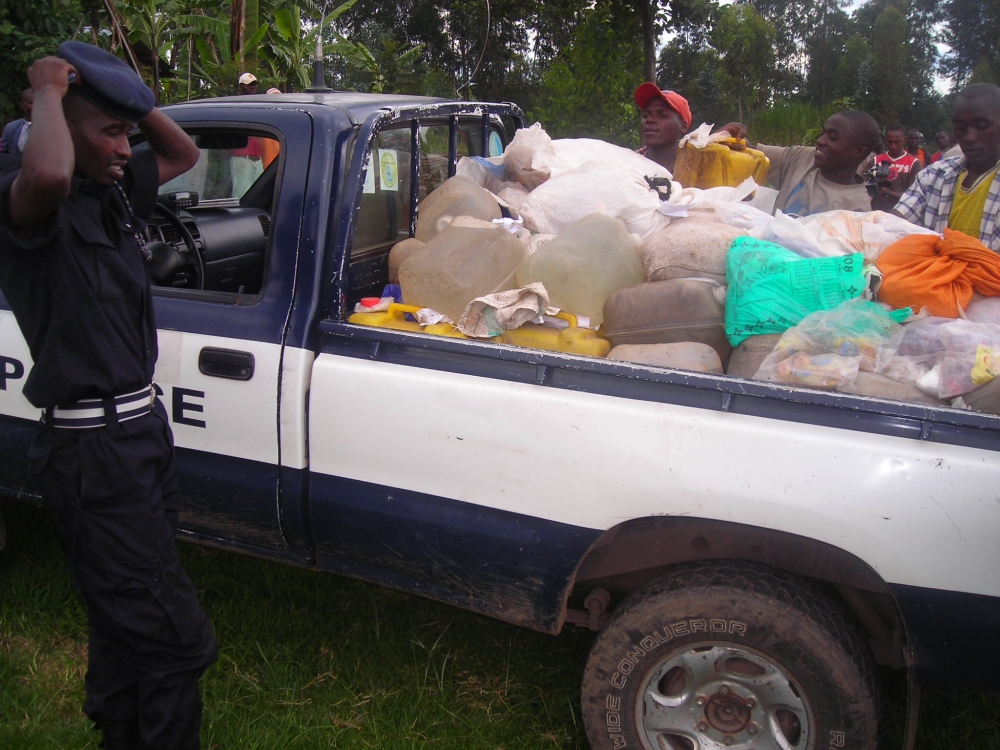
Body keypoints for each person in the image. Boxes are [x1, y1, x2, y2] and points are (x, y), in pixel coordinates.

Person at [0, 41, 217, 749]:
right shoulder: (29, 201)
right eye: (111, 132)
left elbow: (184, 153)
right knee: (173, 638)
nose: (125, 146)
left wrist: (123, 96)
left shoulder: (111, 193)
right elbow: (52, 172)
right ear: (57, 127)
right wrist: (47, 91)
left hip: (140, 438)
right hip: (93, 451)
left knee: (122, 614)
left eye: (127, 133)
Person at [716, 110, 880, 216]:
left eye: (833, 137)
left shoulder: (858, 210)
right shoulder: (802, 158)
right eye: (822, 133)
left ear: (858, 151)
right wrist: (729, 135)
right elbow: (750, 153)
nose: (820, 141)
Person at [896, 83, 1000, 250]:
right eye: (960, 128)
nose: (969, 137)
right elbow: (893, 226)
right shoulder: (933, 176)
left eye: (981, 126)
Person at [633, 83, 692, 173]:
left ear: (683, 126)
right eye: (646, 115)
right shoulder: (629, 163)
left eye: (662, 115)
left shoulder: (697, 166)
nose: (649, 119)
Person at [871, 123, 922, 212]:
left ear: (904, 139)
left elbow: (913, 196)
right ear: (885, 140)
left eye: (897, 142)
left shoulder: (914, 163)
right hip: (877, 211)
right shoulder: (875, 160)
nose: (893, 146)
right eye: (889, 142)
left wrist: (888, 192)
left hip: (902, 213)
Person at [1, 88, 33, 156]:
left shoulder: (51, 129)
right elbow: (2, 152)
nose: (36, 106)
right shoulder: (11, 128)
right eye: (31, 103)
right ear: (22, 105)